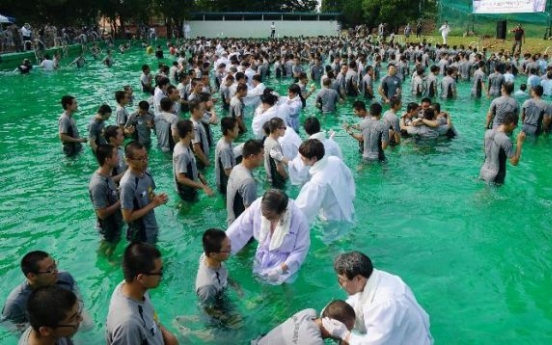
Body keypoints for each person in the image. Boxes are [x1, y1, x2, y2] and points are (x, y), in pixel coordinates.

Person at [324, 251, 433, 344]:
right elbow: (357, 300)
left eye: (342, 280)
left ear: (358, 279)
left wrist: (345, 334)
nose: (340, 285)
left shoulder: (383, 304)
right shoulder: (378, 277)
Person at [226, 189, 310, 285]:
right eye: (264, 215)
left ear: (282, 212)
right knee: (261, 280)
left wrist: (280, 269)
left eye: (270, 217)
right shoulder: (258, 206)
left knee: (285, 285)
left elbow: (300, 250)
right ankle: (264, 295)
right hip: (264, 253)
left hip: (285, 260)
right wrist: (219, 247)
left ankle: (288, 297)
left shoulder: (299, 219)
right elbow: (239, 228)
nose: (266, 219)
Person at [106, 242, 178, 345]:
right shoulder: (128, 325)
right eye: (159, 272)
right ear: (141, 278)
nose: (162, 275)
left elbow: (150, 319)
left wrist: (169, 337)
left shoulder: (130, 287)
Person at [1, 251, 81, 330]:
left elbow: (77, 297)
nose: (56, 271)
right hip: (42, 328)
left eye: (55, 265)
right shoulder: (15, 303)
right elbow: (10, 326)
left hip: (65, 315)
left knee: (88, 325)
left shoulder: (64, 277)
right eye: (50, 270)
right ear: (32, 276)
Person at [295, 139, 355, 224]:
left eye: (303, 157)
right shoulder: (335, 161)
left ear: (314, 158)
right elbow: (349, 178)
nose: (301, 158)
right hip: (348, 208)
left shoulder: (317, 182)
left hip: (332, 220)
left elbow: (303, 209)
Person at [120, 141, 168, 243]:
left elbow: (150, 194)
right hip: (140, 236)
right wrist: (153, 205)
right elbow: (127, 217)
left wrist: (158, 199)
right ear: (128, 160)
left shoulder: (147, 172)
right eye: (140, 159)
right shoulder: (127, 184)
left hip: (151, 228)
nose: (145, 161)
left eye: (146, 156)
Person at [253, 300, 356, 345]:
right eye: (347, 329)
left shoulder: (308, 313)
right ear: (335, 326)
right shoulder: (314, 342)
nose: (349, 332)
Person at [89, 144, 123, 256]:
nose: (118, 157)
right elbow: (102, 213)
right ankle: (108, 259)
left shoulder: (107, 175)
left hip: (115, 221)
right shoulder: (97, 184)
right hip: (108, 225)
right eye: (116, 155)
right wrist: (121, 201)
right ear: (107, 159)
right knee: (109, 244)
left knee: (112, 242)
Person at [173, 119, 214, 202]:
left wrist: (198, 174)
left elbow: (188, 166)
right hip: (186, 192)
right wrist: (202, 187)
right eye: (193, 129)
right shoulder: (182, 153)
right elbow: (181, 178)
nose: (195, 131)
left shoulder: (185, 146)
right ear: (188, 133)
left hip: (190, 189)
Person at [480, 112, 526, 185]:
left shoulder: (487, 132)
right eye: (515, 126)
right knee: (489, 195)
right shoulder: (506, 140)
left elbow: (484, 149)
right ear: (512, 124)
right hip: (496, 176)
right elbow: (514, 162)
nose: (514, 128)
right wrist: (520, 142)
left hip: (483, 171)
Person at [226, 139, 263, 224]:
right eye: (262, 155)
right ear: (252, 157)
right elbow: (250, 215)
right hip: (241, 231)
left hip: (232, 222)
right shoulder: (248, 181)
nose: (263, 158)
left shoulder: (236, 168)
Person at [264, 117, 289, 188]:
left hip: (269, 177)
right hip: (277, 180)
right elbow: (279, 168)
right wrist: (287, 178)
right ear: (277, 129)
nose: (285, 129)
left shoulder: (267, 139)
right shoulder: (275, 145)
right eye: (284, 128)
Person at [215, 117, 238, 195]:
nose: (238, 130)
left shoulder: (224, 141)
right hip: (225, 185)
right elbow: (228, 172)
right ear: (229, 131)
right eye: (236, 128)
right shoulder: (225, 148)